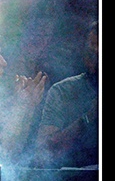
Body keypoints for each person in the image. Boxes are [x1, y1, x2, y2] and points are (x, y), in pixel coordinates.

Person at [32, 20, 99, 168]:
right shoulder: (63, 91)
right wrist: (88, 117)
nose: (96, 57)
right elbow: (44, 152)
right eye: (92, 50)